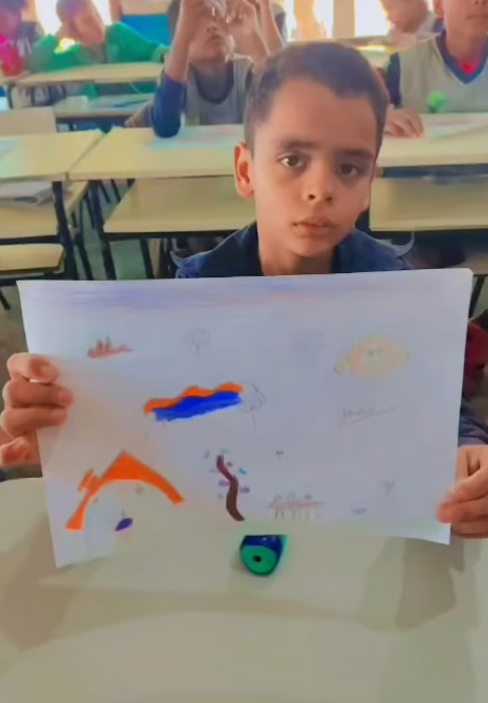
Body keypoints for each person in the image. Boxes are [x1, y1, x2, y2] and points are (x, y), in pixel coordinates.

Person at [2, 42, 488, 537]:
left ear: (369, 184)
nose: (319, 189)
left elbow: (442, 408)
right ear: (245, 170)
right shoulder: (197, 295)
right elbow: (158, 413)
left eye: (349, 168)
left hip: (353, 530)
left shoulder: (395, 291)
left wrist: (469, 452)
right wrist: (70, 430)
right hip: (238, 532)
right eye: (293, 159)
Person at [128, 0, 281, 135]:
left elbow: (279, 110)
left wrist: (252, 35)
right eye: (197, 23)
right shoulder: (180, 75)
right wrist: (182, 39)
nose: (212, 27)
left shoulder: (244, 71)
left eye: (217, 18)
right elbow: (165, 126)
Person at [384, 0, 488, 137]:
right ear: (439, 7)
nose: (479, 1)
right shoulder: (403, 66)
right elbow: (368, 115)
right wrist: (383, 118)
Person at [27, 0, 168, 80]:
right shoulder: (71, 54)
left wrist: (166, 56)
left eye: (97, 16)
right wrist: (58, 37)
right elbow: (35, 61)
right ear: (71, 28)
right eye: (88, 21)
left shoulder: (117, 33)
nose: (98, 24)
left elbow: (153, 50)